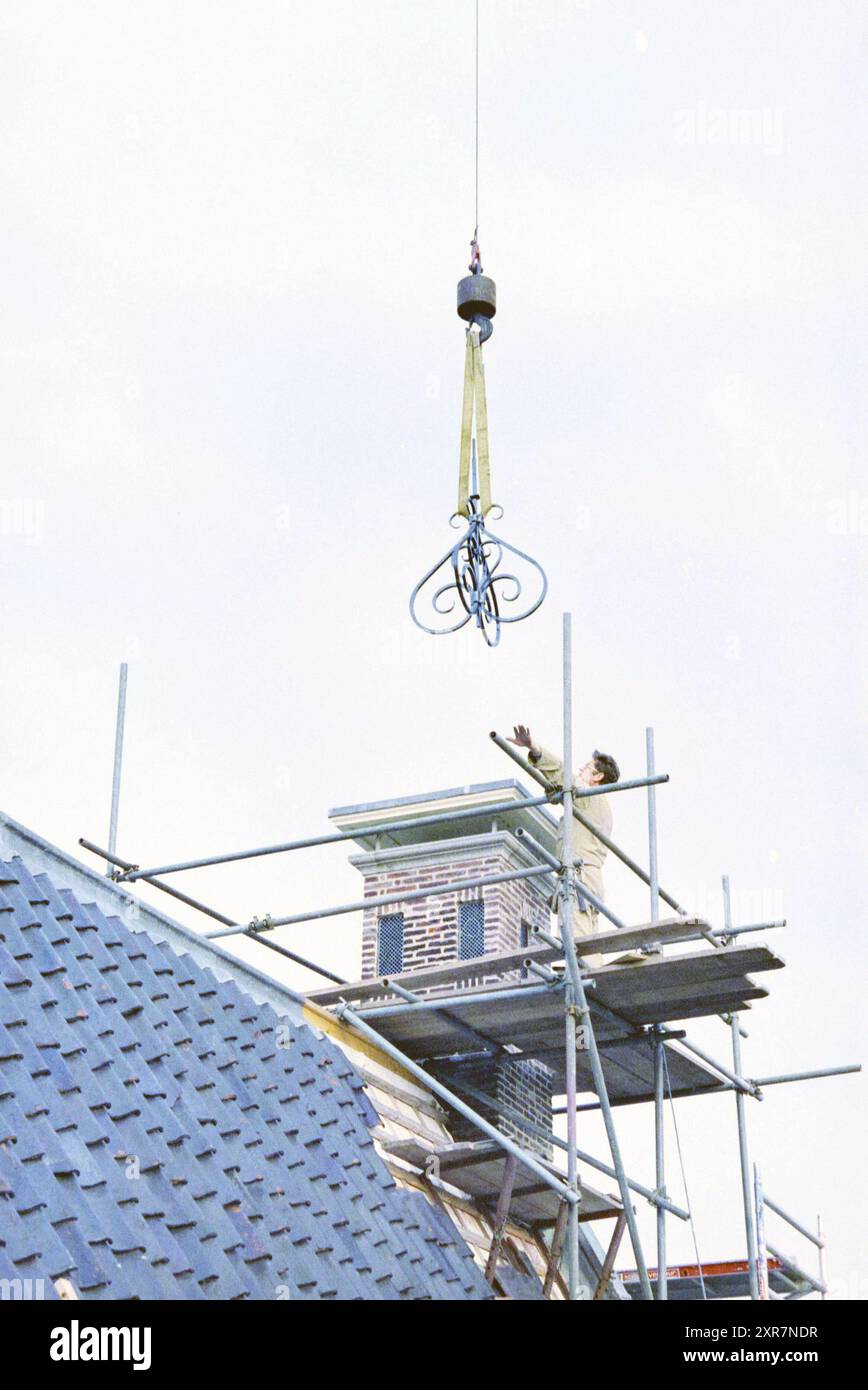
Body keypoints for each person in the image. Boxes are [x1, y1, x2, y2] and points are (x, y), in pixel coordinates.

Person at [508, 725, 646, 968]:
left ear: (597, 777)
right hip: (587, 877)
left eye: (586, 768)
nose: (580, 770)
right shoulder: (592, 803)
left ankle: (585, 980)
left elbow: (564, 777)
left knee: (578, 939)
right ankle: (587, 977)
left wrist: (534, 749)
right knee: (587, 939)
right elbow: (562, 787)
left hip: (579, 876)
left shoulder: (591, 796)